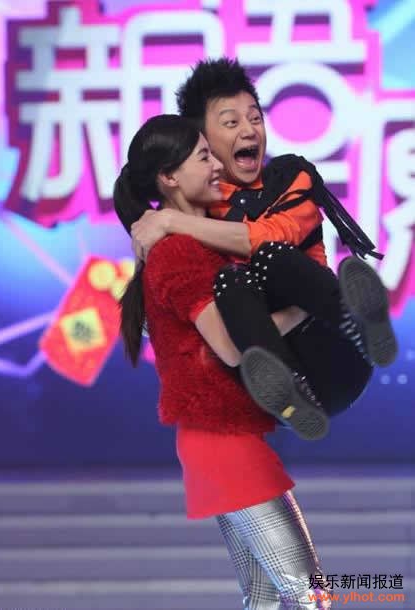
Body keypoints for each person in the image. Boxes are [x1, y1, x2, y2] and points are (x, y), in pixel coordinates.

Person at [114, 113, 331, 610]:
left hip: (220, 436)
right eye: (203, 157)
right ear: (169, 177)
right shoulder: (177, 253)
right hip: (223, 442)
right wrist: (311, 305)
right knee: (310, 596)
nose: (217, 166)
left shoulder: (191, 243)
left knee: (264, 599)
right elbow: (233, 346)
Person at [129, 58, 397, 438]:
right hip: (279, 373)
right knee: (231, 282)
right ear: (201, 140)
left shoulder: (291, 178)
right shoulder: (191, 209)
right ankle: (292, 397)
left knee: (270, 257)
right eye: (231, 122)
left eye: (255, 118)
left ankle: (362, 323)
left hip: (336, 344)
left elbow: (270, 236)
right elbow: (154, 320)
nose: (249, 130)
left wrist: (172, 221)